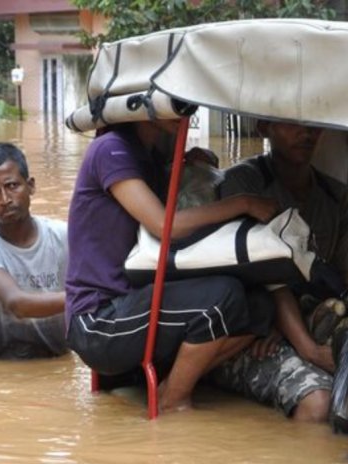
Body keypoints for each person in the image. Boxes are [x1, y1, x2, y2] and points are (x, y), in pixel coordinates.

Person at [65, 119, 278, 414]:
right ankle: (174, 401)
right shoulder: (111, 149)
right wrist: (243, 203)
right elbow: (166, 226)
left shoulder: (149, 155)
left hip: (135, 300)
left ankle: (172, 385)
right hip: (99, 320)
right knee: (222, 294)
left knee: (260, 305)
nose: (184, 112)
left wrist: (191, 166)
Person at [207, 121, 348, 423]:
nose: (306, 133)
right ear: (264, 128)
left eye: (314, 125)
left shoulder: (336, 196)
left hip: (306, 321)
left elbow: (339, 284)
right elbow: (263, 280)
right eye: (293, 124)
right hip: (247, 329)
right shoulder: (243, 185)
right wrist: (305, 347)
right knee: (318, 403)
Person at [0, 142, 68, 359]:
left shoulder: (64, 236)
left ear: (31, 186)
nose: (5, 199)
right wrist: (89, 297)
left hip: (54, 357)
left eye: (12, 186)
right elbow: (17, 303)